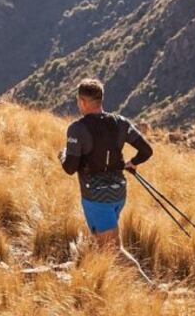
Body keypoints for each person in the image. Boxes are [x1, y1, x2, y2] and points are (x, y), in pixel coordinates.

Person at [59, 78, 153, 281]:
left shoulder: (77, 129)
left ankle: (149, 287)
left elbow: (70, 168)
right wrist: (132, 162)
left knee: (113, 249)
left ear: (82, 102)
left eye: (78, 101)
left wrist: (63, 154)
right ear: (100, 100)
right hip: (119, 193)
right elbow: (146, 150)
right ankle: (109, 285)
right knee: (104, 243)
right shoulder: (121, 122)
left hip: (96, 197)